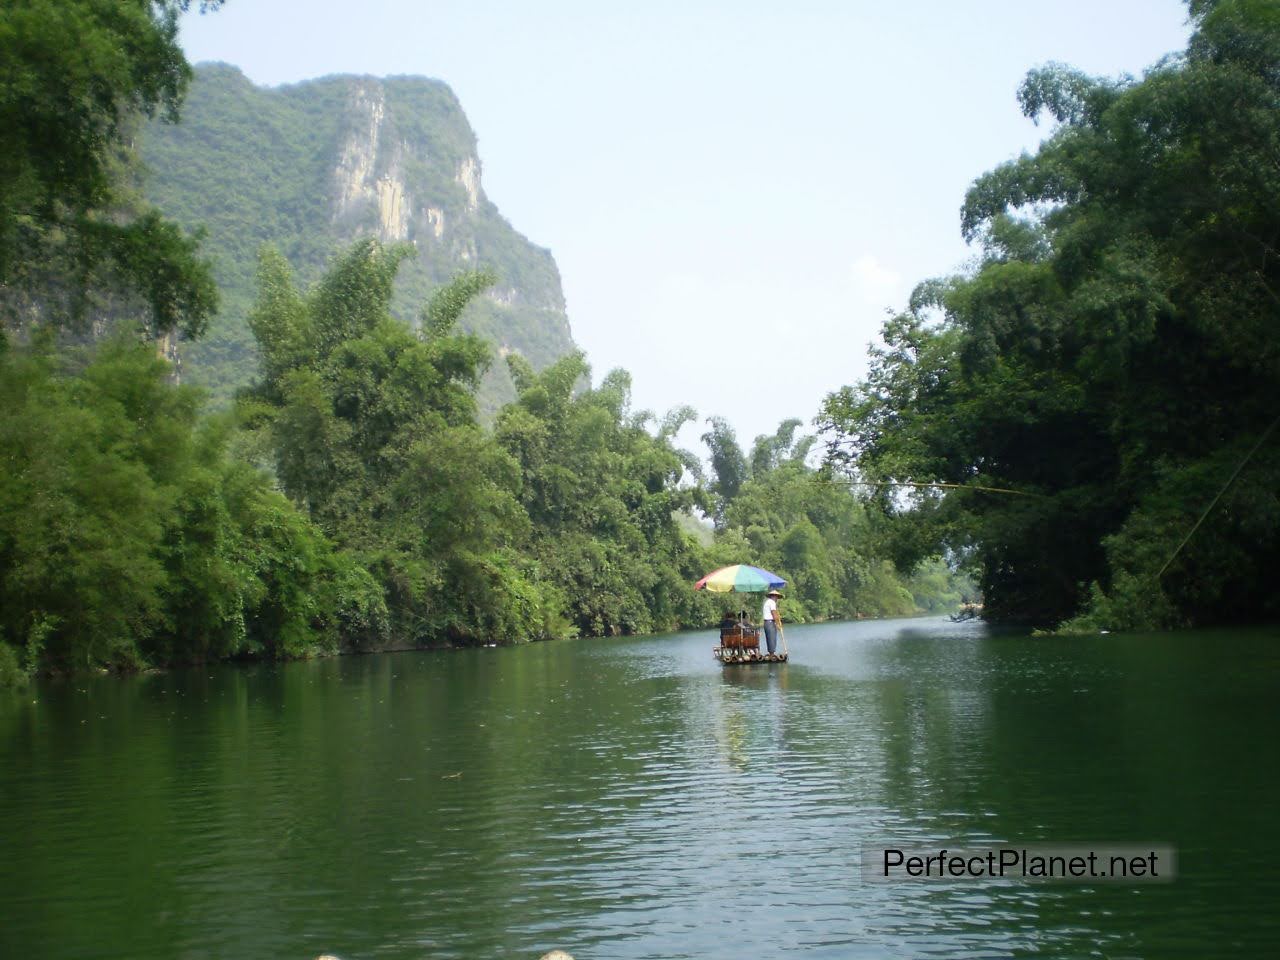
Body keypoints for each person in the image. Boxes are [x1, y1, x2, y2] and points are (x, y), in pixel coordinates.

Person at [761, 589, 783, 654]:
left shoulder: (768, 602)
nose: (777, 599)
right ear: (774, 596)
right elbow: (774, 613)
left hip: (767, 623)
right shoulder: (772, 602)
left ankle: (771, 652)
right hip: (770, 622)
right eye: (777, 597)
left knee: (770, 638)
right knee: (772, 638)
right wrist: (778, 624)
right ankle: (772, 653)